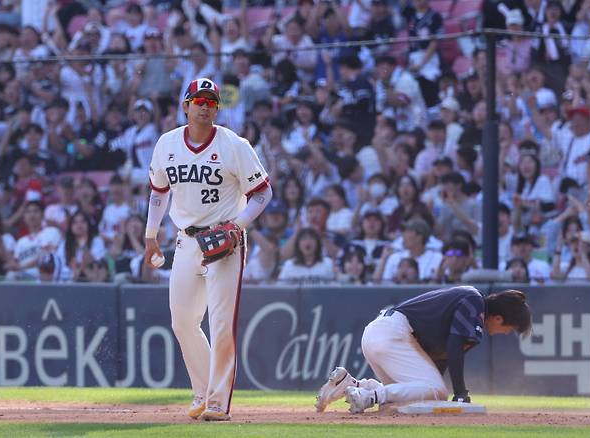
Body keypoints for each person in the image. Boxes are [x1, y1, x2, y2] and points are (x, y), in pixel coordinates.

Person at [143, 78, 271, 422]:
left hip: (224, 242)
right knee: (183, 321)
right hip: (186, 241)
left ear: (217, 108)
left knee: (221, 323)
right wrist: (150, 235)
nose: (205, 106)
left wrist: (238, 226)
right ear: (185, 106)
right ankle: (202, 391)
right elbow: (158, 191)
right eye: (198, 100)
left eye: (211, 101)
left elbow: (262, 193)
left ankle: (217, 402)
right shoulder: (167, 144)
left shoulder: (235, 145)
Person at [315, 287, 532, 413]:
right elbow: (454, 346)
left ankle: (352, 385)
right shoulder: (474, 302)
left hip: (380, 333)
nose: (505, 333)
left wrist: (435, 388)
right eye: (509, 328)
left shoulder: (472, 305)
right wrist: (460, 393)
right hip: (392, 334)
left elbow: (443, 357)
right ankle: (369, 396)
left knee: (417, 395)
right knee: (437, 391)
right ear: (498, 318)